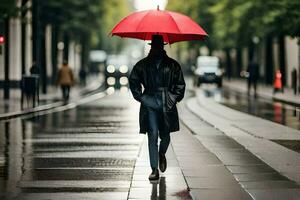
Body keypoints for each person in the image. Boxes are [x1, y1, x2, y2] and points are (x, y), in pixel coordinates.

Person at [129, 35, 186, 181]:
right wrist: (141, 97)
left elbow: (180, 85)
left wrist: (172, 98)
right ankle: (154, 169)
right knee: (152, 134)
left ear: (163, 46)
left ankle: (161, 154)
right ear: (151, 46)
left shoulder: (173, 65)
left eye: (159, 45)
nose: (156, 48)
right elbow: (134, 80)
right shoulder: (142, 65)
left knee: (165, 135)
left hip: (166, 103)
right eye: (154, 45)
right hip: (149, 103)